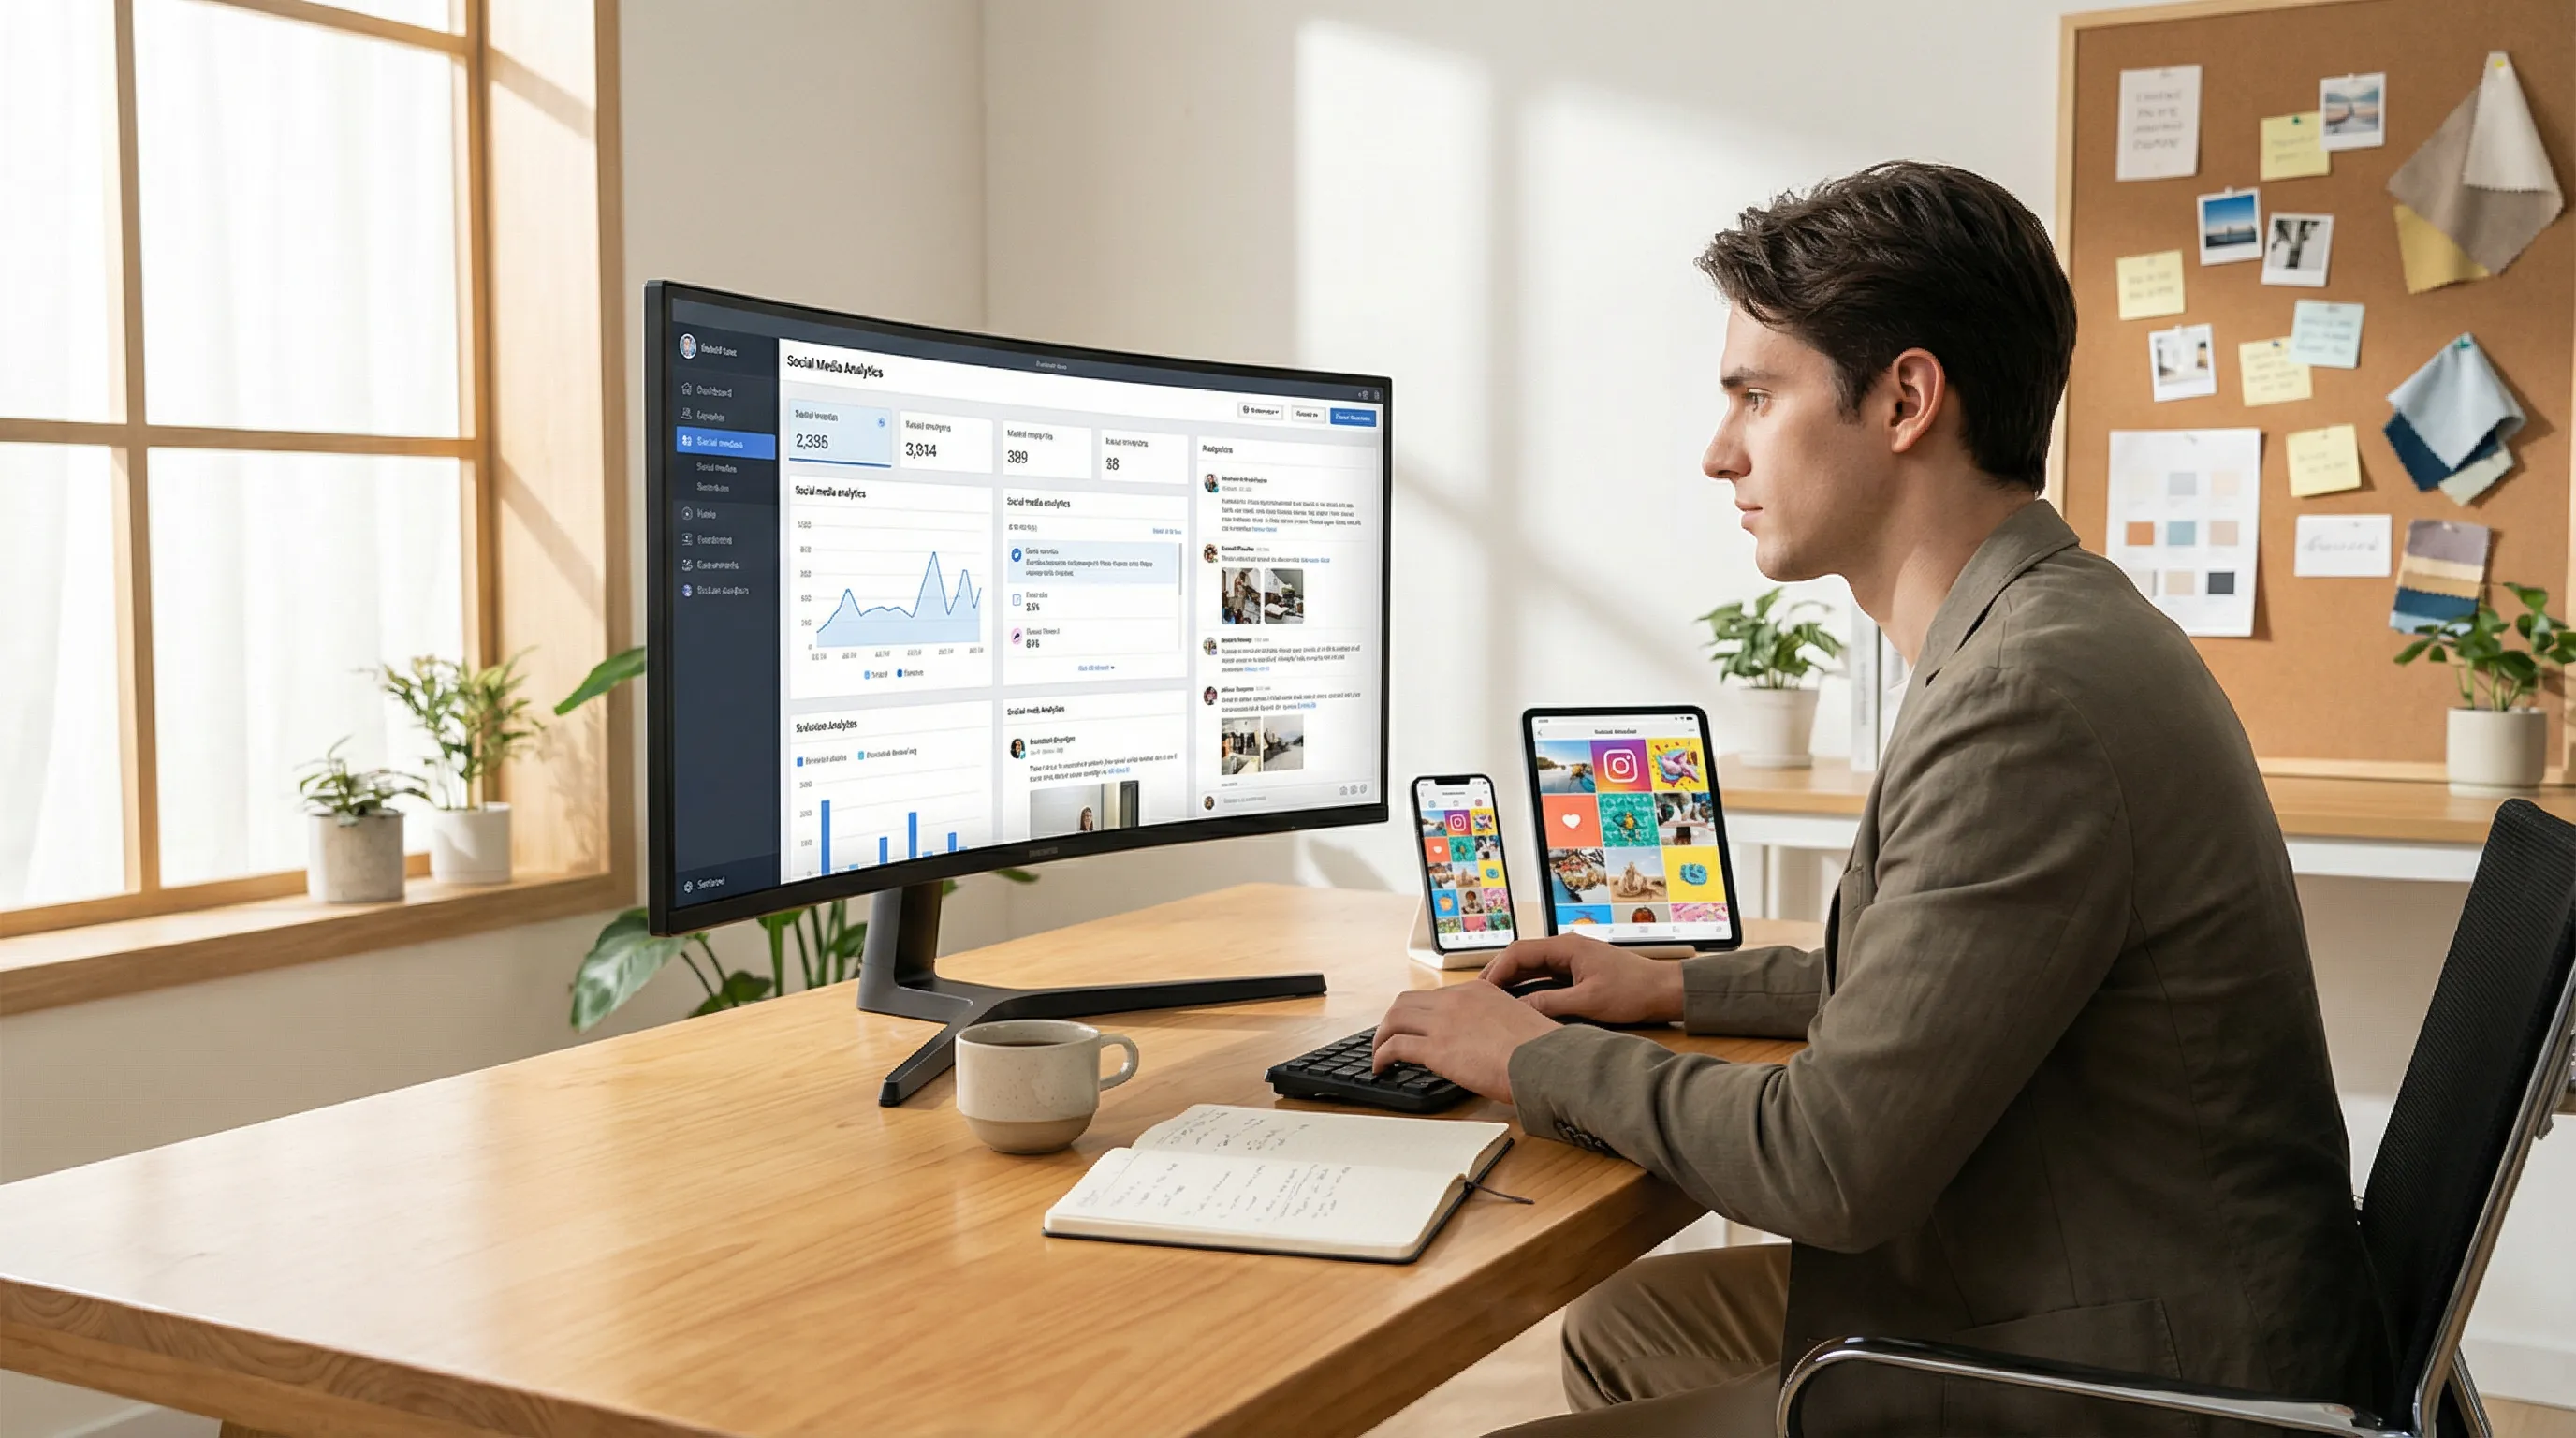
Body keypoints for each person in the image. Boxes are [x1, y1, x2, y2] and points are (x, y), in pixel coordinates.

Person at [1370, 162, 2388, 1437]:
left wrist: (1536, 1058)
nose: (1719, 452)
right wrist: (1675, 988)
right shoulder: (2047, 626)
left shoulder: (2024, 699)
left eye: (1757, 395)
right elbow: (1941, 975)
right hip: (2115, 1283)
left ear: (1906, 399)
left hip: (2149, 1376)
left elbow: (1829, 1162)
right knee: (1632, 1326)